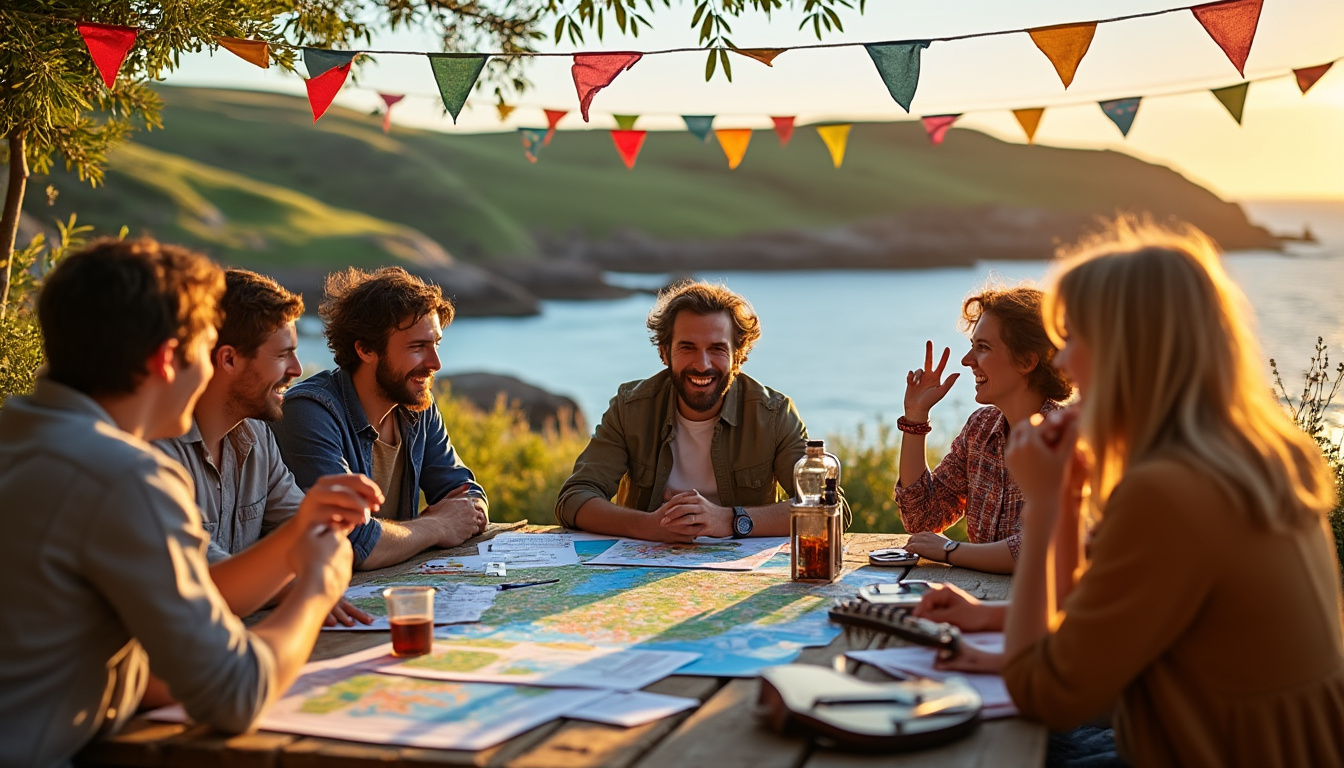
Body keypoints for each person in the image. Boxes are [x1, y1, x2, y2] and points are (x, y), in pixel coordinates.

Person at [0, 238, 379, 767]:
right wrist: (317, 588)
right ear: (166, 360)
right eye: (203, 352)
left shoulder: (23, 438)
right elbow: (235, 695)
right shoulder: (122, 475)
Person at [990, 222, 1344, 766]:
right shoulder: (1254, 456)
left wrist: (1039, 508)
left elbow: (1048, 693)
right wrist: (1066, 499)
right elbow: (1078, 633)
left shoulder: (1171, 493)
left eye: (1075, 339)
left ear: (1129, 349)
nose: (1062, 363)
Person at [156, 269, 373, 626]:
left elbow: (327, 548)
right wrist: (295, 586)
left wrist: (309, 550)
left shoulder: (256, 437)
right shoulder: (156, 453)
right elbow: (205, 588)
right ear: (228, 359)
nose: (297, 369)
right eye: (283, 354)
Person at [556, 280, 847, 540]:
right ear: (664, 352)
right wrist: (650, 527)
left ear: (738, 356)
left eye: (717, 348)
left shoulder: (773, 414)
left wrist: (731, 520)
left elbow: (831, 509)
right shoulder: (630, 408)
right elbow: (574, 499)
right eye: (687, 347)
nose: (703, 364)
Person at [274, 267, 489, 570]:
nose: (435, 363)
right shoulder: (309, 412)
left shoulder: (416, 405)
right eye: (417, 347)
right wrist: (437, 526)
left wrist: (451, 518)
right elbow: (351, 542)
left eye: (436, 344)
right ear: (365, 349)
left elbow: (468, 496)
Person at [893, 286, 1070, 573]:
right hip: (982, 602)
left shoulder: (1063, 439)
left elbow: (1038, 548)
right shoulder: (980, 428)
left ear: (1027, 361)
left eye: (983, 348)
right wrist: (915, 419)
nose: (967, 360)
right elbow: (922, 518)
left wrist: (950, 550)